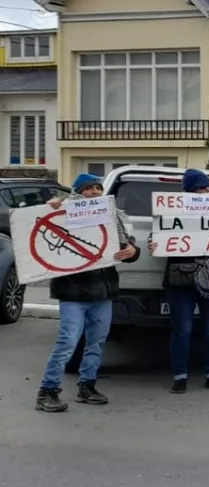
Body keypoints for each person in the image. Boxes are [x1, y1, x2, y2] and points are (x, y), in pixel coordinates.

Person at [35, 174, 141, 412]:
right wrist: (50, 208)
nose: (95, 192)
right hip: (73, 290)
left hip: (103, 291)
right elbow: (35, 223)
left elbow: (129, 249)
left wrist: (133, 250)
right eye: (89, 188)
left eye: (98, 188)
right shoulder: (62, 213)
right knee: (68, 342)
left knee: (96, 342)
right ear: (78, 191)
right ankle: (47, 391)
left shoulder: (111, 216)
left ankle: (87, 386)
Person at [151, 168, 209, 395]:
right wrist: (153, 244)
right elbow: (157, 235)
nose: (207, 191)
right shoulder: (169, 214)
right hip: (181, 280)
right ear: (188, 192)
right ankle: (180, 377)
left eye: (208, 187)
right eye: (201, 188)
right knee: (182, 330)